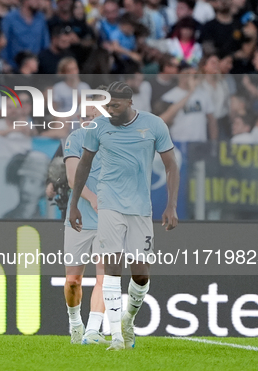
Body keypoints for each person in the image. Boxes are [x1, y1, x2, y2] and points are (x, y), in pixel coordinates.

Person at [69, 81, 179, 351]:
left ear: (130, 103)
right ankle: (116, 336)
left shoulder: (154, 126)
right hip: (109, 204)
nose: (110, 110)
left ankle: (128, 319)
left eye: (115, 105)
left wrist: (171, 205)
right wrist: (73, 204)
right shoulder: (99, 127)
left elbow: (171, 166)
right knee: (111, 269)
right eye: (106, 105)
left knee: (141, 275)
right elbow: (83, 165)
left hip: (141, 208)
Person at [62, 89, 106, 345]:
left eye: (92, 115)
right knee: (73, 281)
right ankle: (75, 322)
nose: (86, 120)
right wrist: (92, 198)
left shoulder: (116, 142)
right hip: (78, 220)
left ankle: (92, 330)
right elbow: (71, 178)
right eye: (82, 116)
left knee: (104, 277)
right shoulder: (75, 139)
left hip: (108, 220)